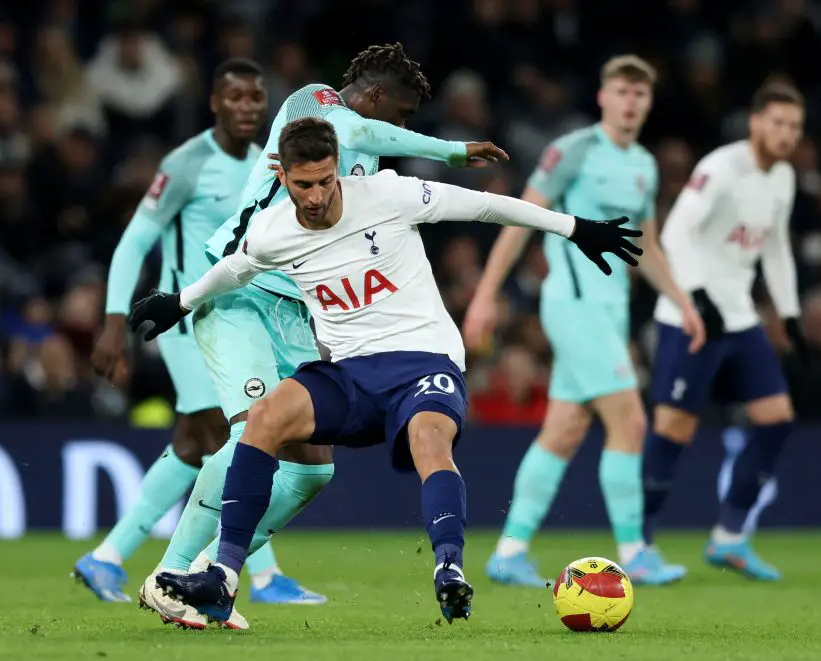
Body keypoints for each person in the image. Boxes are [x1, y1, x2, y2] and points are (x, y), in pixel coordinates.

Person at [128, 116, 644, 627]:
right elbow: (237, 267)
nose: (315, 196)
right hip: (349, 372)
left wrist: (574, 227)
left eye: (326, 181)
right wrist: (181, 300)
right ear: (281, 177)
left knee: (429, 441)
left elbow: (485, 206)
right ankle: (223, 578)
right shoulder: (271, 231)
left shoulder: (388, 195)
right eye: (303, 184)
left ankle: (449, 568)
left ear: (338, 171)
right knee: (263, 419)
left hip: (423, 359)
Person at [137, 43, 509, 630]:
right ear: (380, 99)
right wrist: (451, 151)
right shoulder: (316, 108)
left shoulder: (358, 174)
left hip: (294, 310)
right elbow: (359, 128)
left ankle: (213, 572)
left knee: (313, 470)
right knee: (252, 432)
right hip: (238, 294)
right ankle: (171, 575)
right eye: (405, 113)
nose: (402, 127)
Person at [74, 58, 324, 607]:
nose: (246, 107)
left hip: (246, 314)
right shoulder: (187, 164)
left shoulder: (272, 165)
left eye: (256, 98)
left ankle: (106, 557)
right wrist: (115, 321)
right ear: (214, 102)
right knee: (236, 432)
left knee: (196, 442)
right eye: (234, 97)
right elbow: (137, 238)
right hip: (188, 318)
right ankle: (256, 575)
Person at [462, 54, 704, 587]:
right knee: (631, 422)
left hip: (609, 311)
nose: (631, 101)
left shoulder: (644, 163)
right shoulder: (572, 151)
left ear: (649, 102)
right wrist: (485, 296)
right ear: (603, 97)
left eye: (640, 94)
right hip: (573, 306)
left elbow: (650, 249)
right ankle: (636, 550)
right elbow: (518, 218)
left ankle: (509, 551)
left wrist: (683, 304)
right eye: (622, 91)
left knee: (565, 430)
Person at [641, 81, 808, 581]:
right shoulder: (720, 168)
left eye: (794, 127)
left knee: (776, 419)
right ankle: (639, 543)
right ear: (755, 122)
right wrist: (694, 296)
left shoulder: (783, 178)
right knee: (674, 430)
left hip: (739, 318)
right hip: (690, 317)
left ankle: (730, 538)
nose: (785, 135)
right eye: (777, 123)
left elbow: (775, 247)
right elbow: (675, 233)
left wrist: (791, 312)